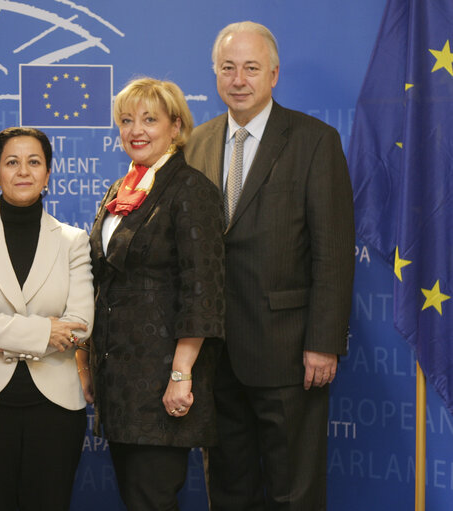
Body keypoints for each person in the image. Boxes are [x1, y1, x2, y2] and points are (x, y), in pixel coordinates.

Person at [184, 21, 355, 510]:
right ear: (215, 74)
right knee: (229, 489)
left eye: (251, 68)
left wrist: (323, 343)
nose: (239, 79)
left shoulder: (314, 140)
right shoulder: (197, 141)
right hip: (217, 354)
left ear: (274, 74)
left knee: (293, 492)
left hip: (289, 352)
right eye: (228, 68)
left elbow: (334, 251)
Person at [89, 78, 225, 510]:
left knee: (153, 499)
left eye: (150, 119)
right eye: (127, 120)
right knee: (137, 499)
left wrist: (182, 374)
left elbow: (203, 289)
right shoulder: (121, 190)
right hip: (121, 384)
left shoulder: (191, 189)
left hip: (164, 381)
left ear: (176, 126)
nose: (136, 130)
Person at [0, 127, 94, 511]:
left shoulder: (74, 241)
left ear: (48, 173)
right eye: (11, 162)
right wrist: (45, 329)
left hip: (56, 409)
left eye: (34, 162)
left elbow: (80, 326)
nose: (23, 171)